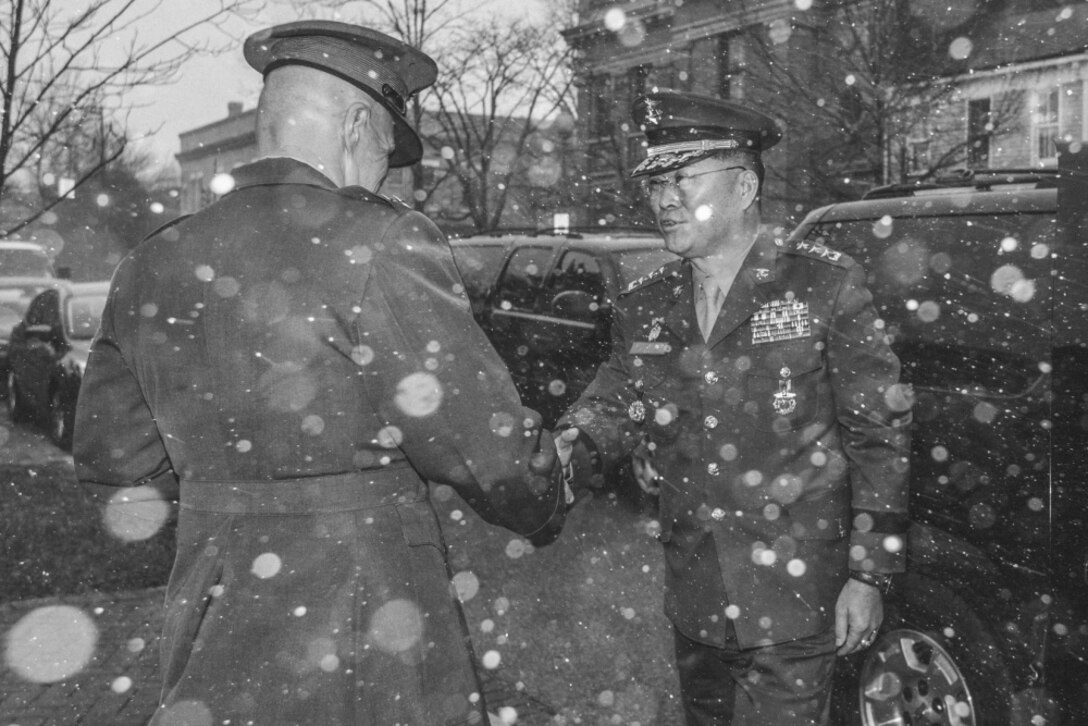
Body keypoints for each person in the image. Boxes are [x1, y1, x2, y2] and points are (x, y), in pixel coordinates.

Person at [73, 21, 570, 726]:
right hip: (369, 622)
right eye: (386, 156)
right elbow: (483, 449)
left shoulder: (149, 263)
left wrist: (227, 510)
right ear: (358, 125)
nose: (382, 177)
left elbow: (115, 465)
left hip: (211, 614)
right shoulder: (378, 243)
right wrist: (545, 491)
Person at [556, 90, 912, 725]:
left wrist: (869, 573)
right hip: (695, 590)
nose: (663, 199)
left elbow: (878, 438)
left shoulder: (823, 286)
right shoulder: (646, 304)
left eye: (682, 179)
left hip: (795, 594)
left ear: (744, 187)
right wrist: (561, 450)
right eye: (655, 183)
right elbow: (612, 401)